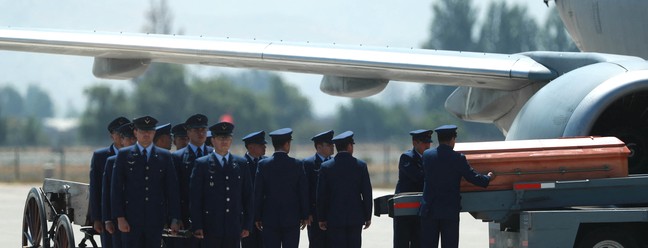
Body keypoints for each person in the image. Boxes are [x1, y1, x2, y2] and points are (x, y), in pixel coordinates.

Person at [419, 125, 494, 248]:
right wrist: (488, 178)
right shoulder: (458, 158)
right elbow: (472, 177)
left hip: (429, 210)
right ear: (452, 139)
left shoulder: (427, 156)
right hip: (449, 211)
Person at [111, 116, 180, 248]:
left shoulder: (164, 156)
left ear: (154, 133)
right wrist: (120, 217)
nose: (146, 134)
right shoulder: (124, 155)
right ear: (136, 132)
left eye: (149, 131)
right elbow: (116, 188)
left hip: (156, 218)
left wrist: (174, 218)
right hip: (131, 218)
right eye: (142, 131)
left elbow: (172, 189)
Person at [190, 121, 253, 248]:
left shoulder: (241, 164)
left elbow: (248, 196)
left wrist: (247, 224)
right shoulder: (202, 164)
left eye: (228, 138)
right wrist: (197, 225)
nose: (224, 141)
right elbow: (195, 197)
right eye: (220, 138)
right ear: (212, 140)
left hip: (234, 226)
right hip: (210, 225)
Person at [254, 128, 309, 248]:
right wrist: (305, 215)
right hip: (292, 218)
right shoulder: (297, 165)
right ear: (287, 144)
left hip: (269, 218)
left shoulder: (263, 165)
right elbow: (303, 192)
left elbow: (258, 193)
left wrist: (257, 216)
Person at [316, 131, 372, 248]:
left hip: (334, 218)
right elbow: (366, 193)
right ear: (349, 146)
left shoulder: (326, 167)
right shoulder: (360, 166)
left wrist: (321, 217)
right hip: (355, 217)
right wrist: (367, 216)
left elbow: (321, 195)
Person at [171, 114, 213, 248]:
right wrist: (175, 217)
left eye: (203, 130)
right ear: (188, 132)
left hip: (211, 217)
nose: (200, 133)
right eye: (196, 130)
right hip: (186, 217)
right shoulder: (177, 157)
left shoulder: (214, 154)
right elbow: (174, 191)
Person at [89, 116, 130, 247]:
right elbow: (96, 188)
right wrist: (97, 218)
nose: (122, 136)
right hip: (108, 214)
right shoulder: (101, 156)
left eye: (126, 132)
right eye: (119, 133)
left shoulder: (135, 154)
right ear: (112, 135)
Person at [393, 129, 432, 248]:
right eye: (424, 142)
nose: (428, 145)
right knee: (402, 241)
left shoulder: (430, 158)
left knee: (419, 241)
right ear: (415, 143)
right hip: (404, 208)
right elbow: (418, 177)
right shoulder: (407, 157)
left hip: (420, 207)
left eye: (429, 142)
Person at [102, 122, 137, 248]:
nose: (133, 142)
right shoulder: (112, 162)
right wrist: (107, 219)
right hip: (119, 217)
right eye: (129, 138)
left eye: (135, 138)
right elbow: (108, 192)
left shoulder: (146, 159)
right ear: (122, 140)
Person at [302, 130, 334, 248]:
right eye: (329, 145)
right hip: (314, 214)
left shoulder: (334, 163)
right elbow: (305, 190)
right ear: (319, 147)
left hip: (332, 212)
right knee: (316, 243)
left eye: (333, 144)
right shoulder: (308, 164)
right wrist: (307, 212)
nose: (332, 147)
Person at [240, 130, 268, 248]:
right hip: (247, 216)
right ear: (250, 147)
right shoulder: (241, 164)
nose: (264, 147)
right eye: (261, 145)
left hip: (265, 215)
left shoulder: (267, 163)